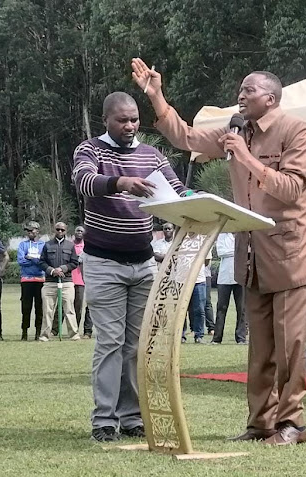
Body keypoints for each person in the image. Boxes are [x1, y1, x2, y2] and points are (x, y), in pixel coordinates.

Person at [133, 59, 306, 445]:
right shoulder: (236, 131)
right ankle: (261, 424)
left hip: (290, 251)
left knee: (290, 345)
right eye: (240, 89)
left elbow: (292, 189)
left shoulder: (295, 130)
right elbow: (184, 137)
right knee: (261, 347)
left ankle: (294, 425)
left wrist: (245, 156)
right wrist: (157, 97)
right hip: (251, 252)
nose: (240, 94)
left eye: (248, 90)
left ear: (270, 97)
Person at [72, 91, 192, 442]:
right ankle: (104, 420)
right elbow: (84, 182)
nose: (130, 125)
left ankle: (132, 416)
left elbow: (177, 189)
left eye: (134, 119)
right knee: (109, 343)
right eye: (122, 120)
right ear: (106, 120)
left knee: (137, 346)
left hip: (143, 263)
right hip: (103, 262)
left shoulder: (151, 155)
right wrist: (120, 182)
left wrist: (198, 203)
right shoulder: (91, 150)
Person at [38, 222, 80, 341]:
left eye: (62, 230)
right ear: (54, 230)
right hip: (50, 282)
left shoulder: (70, 246)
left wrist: (62, 269)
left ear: (66, 231)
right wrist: (52, 271)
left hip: (66, 282)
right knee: (47, 310)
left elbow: (74, 263)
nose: (60, 232)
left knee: (69, 310)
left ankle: (74, 335)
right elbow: (41, 262)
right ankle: (45, 335)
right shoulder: (47, 245)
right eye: (58, 229)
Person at [176, 233, 212, 344]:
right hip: (181, 280)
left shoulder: (203, 239)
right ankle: (180, 336)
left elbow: (206, 261)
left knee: (199, 309)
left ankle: (199, 335)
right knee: (181, 310)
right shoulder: (180, 237)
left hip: (198, 280)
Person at [212, 232, 247, 345]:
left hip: (240, 276)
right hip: (224, 277)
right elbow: (221, 252)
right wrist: (238, 252)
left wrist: (238, 252)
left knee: (241, 309)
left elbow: (246, 252)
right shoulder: (222, 235)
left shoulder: (242, 235)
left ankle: (241, 337)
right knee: (221, 308)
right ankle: (217, 338)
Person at [17, 221, 45, 341]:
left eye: (31, 230)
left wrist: (31, 258)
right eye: (28, 231)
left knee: (40, 308)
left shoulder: (43, 245)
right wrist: (36, 260)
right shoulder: (22, 245)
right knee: (26, 307)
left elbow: (43, 262)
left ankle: (38, 332)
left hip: (40, 280)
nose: (29, 233)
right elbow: (21, 261)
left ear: (37, 231)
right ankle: (24, 332)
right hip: (26, 280)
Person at [71, 226, 93, 339]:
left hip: (90, 281)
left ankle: (87, 331)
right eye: (77, 231)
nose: (79, 233)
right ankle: (75, 331)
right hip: (72, 280)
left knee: (90, 307)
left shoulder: (89, 247)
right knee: (74, 308)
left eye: (81, 231)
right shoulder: (70, 246)